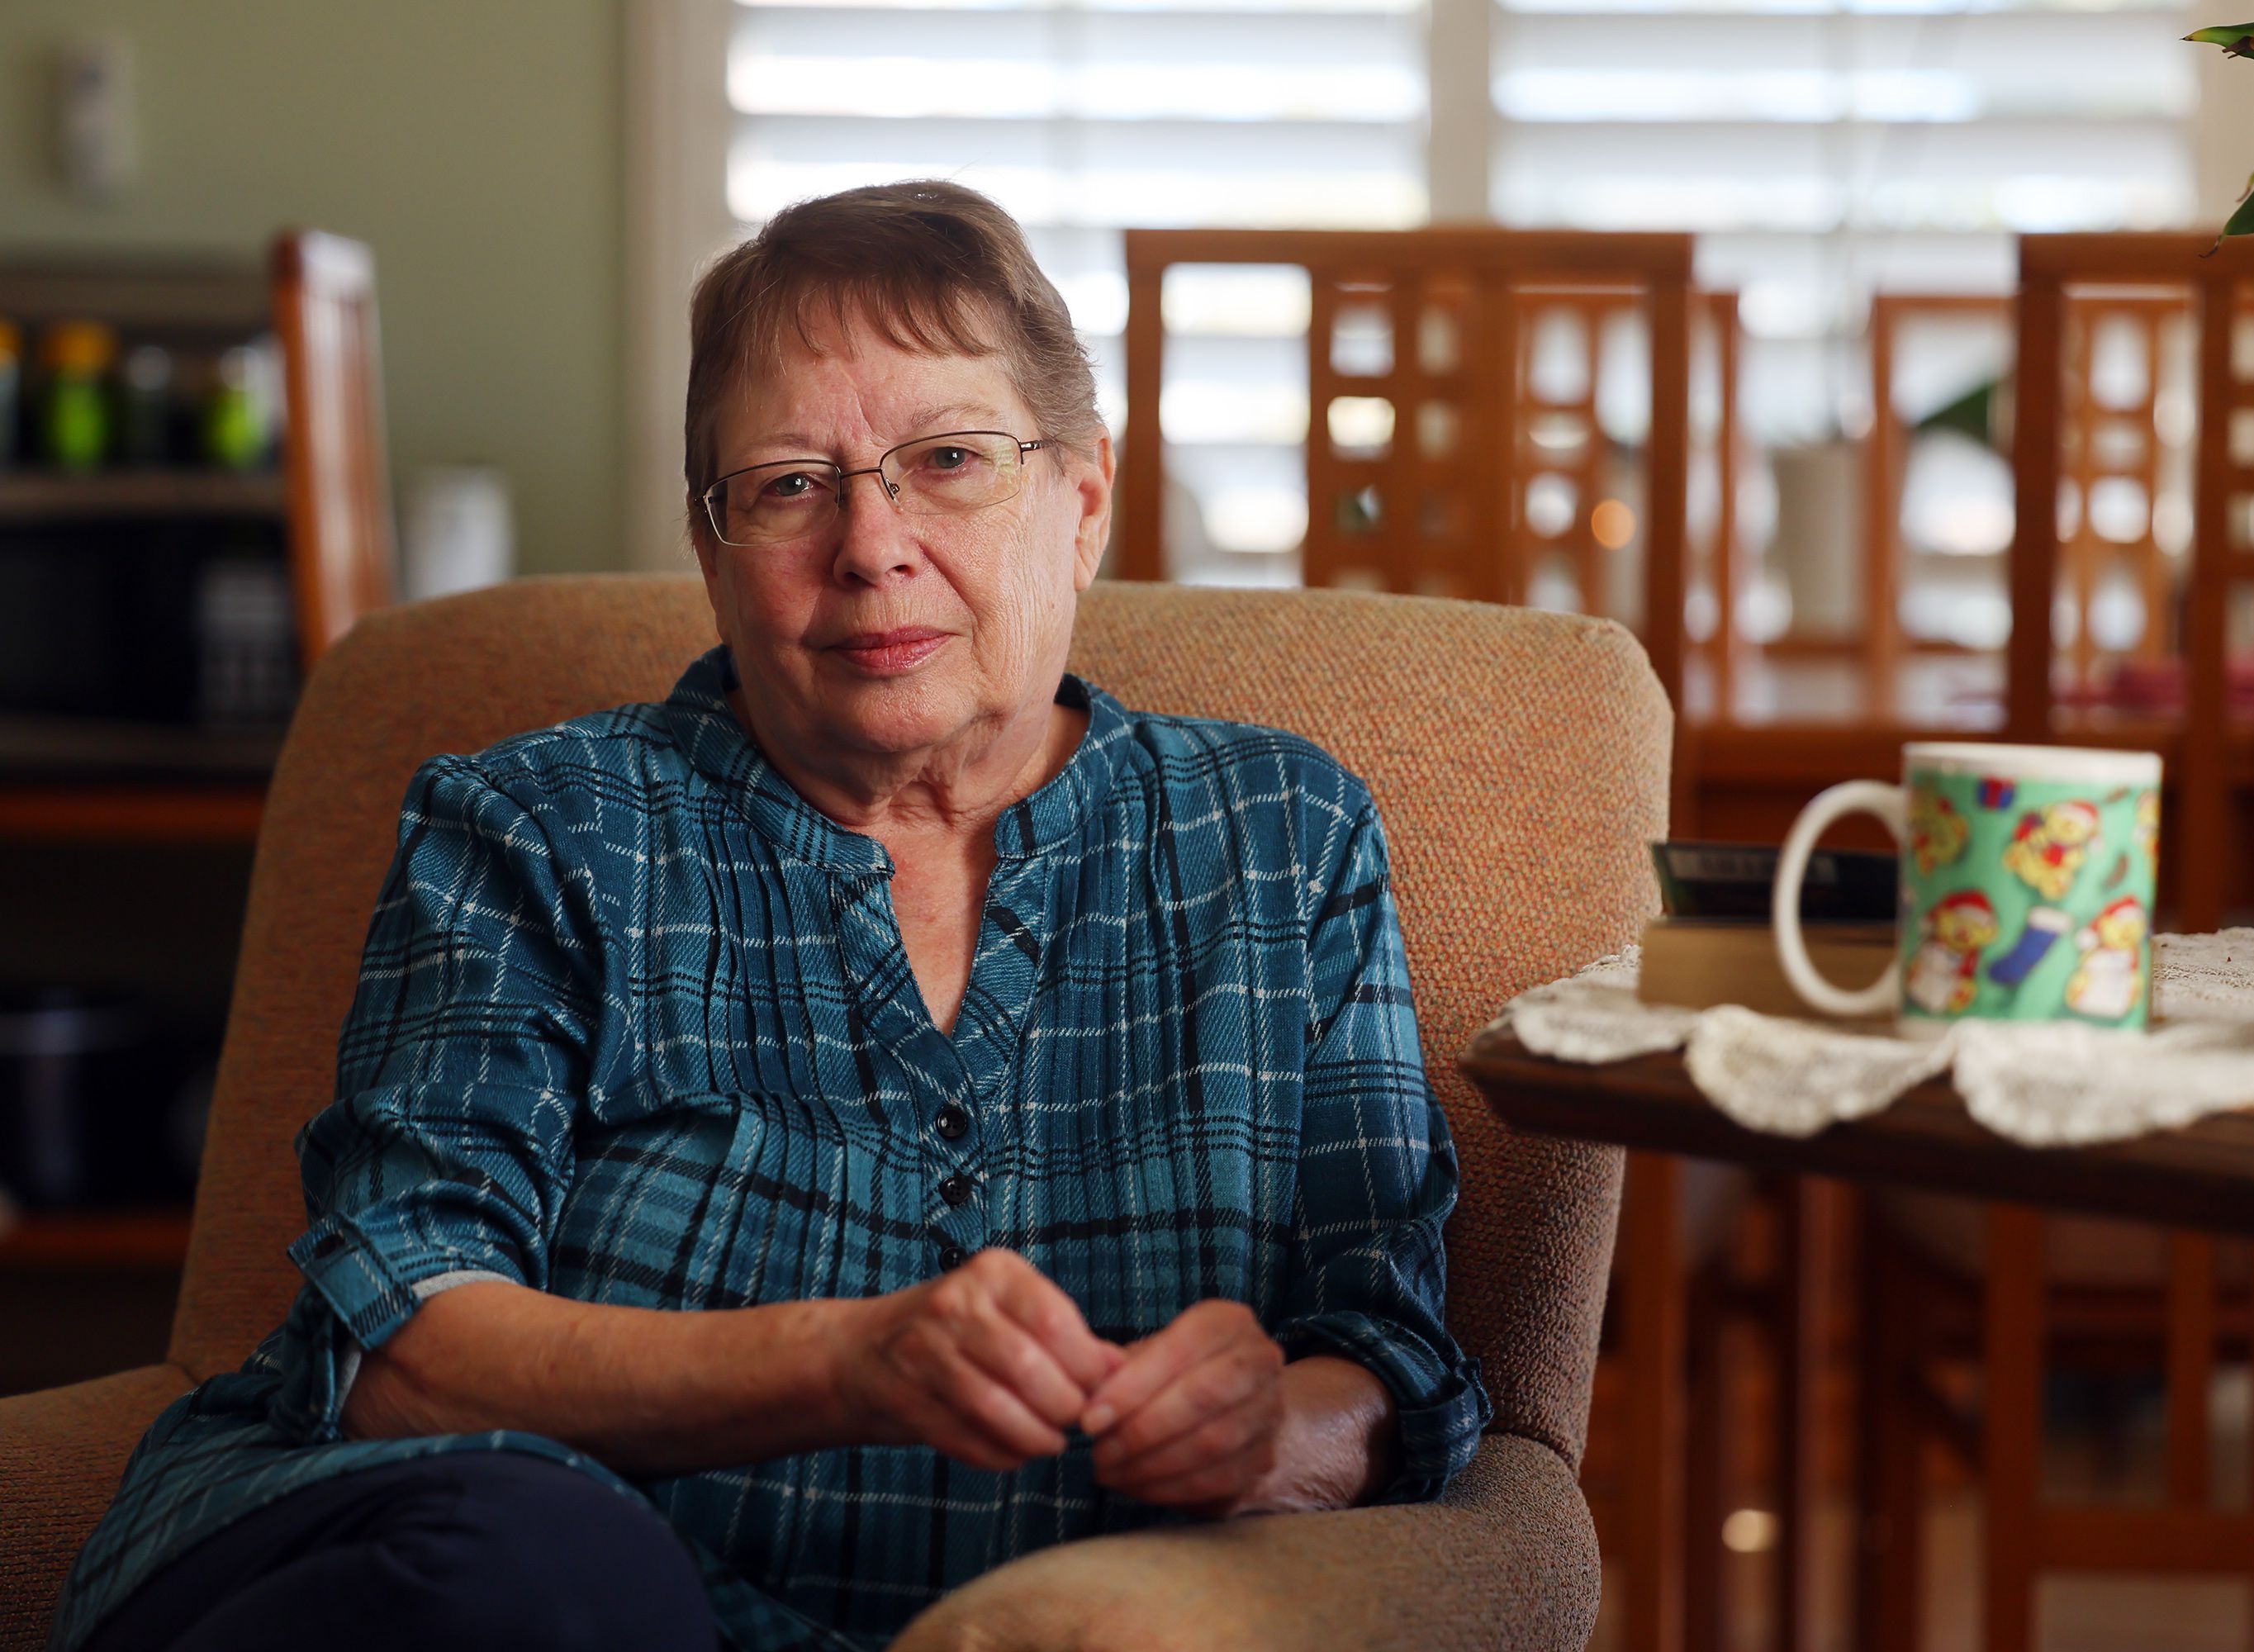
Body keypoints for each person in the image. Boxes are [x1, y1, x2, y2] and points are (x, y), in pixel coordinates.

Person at [47, 180, 1488, 1652]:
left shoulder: (1279, 838)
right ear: (712, 544)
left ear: (1085, 500)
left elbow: (1388, 1350)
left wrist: (1273, 1440)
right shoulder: (538, 826)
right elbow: (397, 1347)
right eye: (792, 484)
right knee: (534, 1558)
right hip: (449, 1589)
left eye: (949, 459)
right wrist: (847, 1363)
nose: (871, 544)